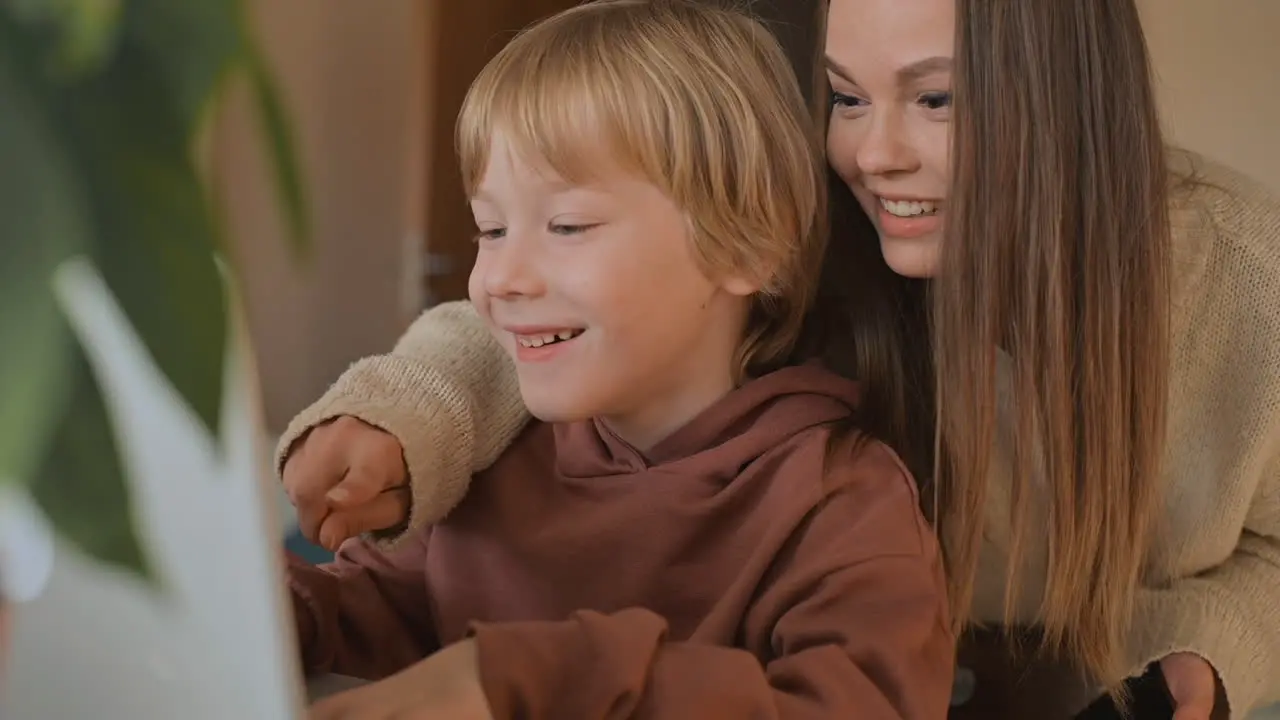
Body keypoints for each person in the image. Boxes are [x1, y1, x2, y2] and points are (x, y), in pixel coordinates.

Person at [280, 0, 1280, 717]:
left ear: (1064, 99)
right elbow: (538, 325)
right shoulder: (825, 207)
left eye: (934, 100)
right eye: (844, 98)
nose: (870, 153)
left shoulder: (1239, 284)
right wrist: (393, 419)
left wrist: (1196, 660)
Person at [288, 2, 954, 718]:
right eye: (490, 228)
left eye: (567, 225)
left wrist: (536, 678)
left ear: (748, 245)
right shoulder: (499, 454)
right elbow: (369, 607)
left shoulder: (838, 500)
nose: (502, 278)